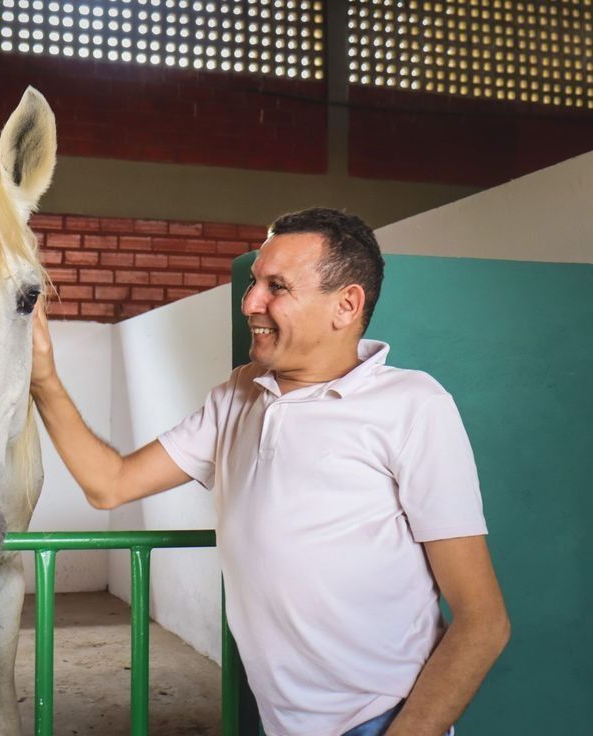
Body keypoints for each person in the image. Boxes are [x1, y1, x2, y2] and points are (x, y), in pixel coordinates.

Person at [29, 207, 510, 736]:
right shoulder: (237, 396)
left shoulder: (414, 405)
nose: (250, 301)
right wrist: (45, 379)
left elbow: (482, 621)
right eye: (255, 281)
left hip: (381, 721)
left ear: (345, 305)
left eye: (276, 286)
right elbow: (110, 484)